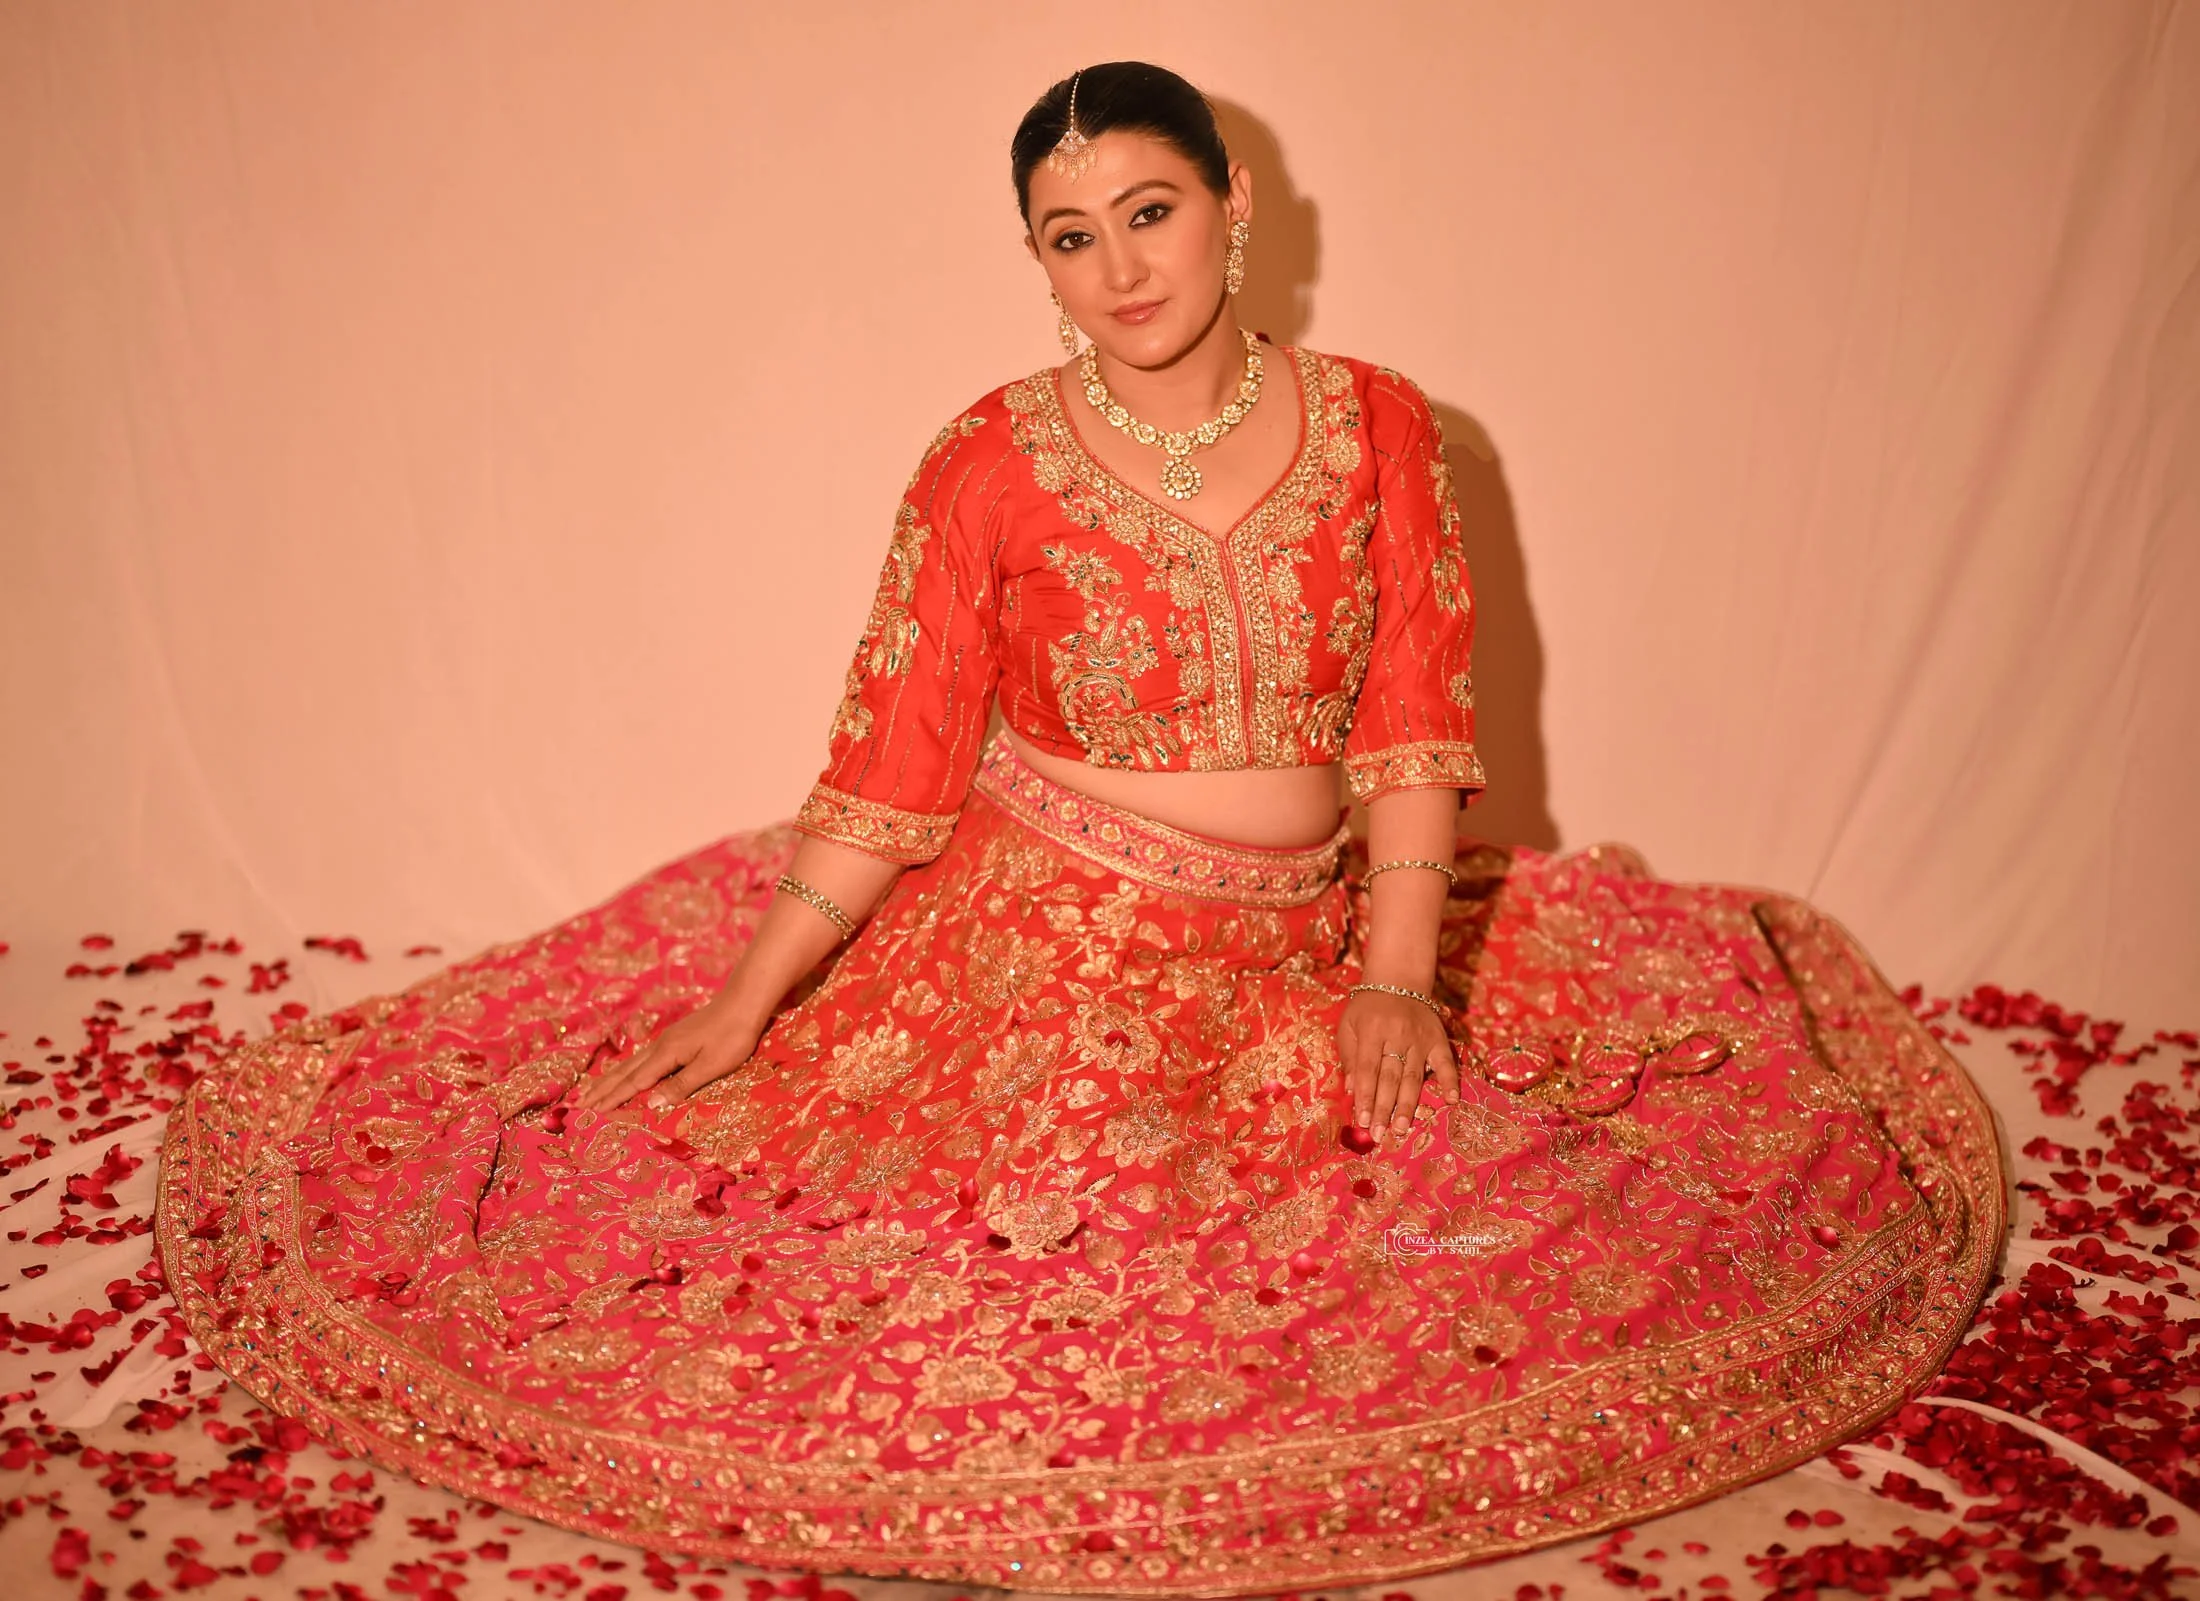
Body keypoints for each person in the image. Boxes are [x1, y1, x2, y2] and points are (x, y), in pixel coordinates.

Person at [157, 61, 2004, 1597]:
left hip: (1310, 930)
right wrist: (750, 1001)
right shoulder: (986, 461)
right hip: (1059, 934)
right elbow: (887, 761)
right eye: (1069, 235)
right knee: (1082, 1247)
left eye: (1148, 210)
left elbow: (1418, 713)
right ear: (1035, 268)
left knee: (1475, 1180)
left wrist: (1395, 972)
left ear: (1234, 208)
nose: (1118, 265)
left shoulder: (1377, 429)